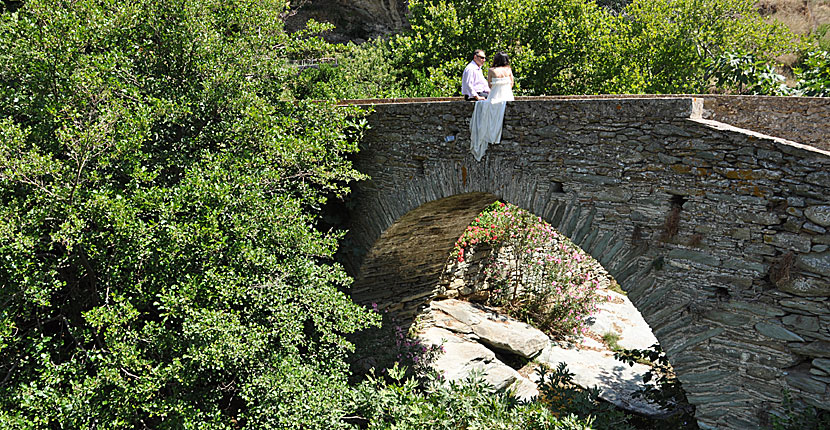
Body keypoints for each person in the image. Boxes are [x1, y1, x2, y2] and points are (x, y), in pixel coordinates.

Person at [470, 52, 514, 161]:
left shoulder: (491, 70)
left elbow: (489, 85)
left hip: (495, 96)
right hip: (507, 96)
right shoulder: (508, 70)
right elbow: (511, 84)